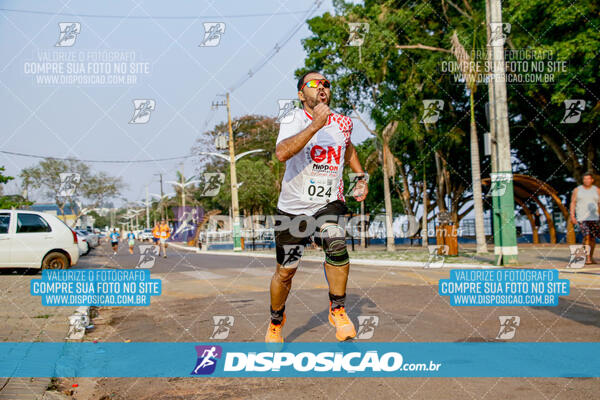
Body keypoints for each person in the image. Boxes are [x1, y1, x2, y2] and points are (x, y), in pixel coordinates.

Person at [265, 71, 368, 343]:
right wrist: (315, 125)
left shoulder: (342, 123)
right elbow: (282, 153)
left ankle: (338, 308)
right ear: (301, 95)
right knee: (286, 272)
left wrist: (360, 177)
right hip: (292, 208)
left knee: (335, 239)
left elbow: (348, 149)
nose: (322, 87)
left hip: (328, 201)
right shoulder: (293, 119)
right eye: (314, 84)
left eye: (326, 84)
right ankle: (276, 320)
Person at [570, 172, 600, 264]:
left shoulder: (597, 190)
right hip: (582, 217)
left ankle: (590, 256)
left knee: (592, 238)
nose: (586, 180)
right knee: (586, 236)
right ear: (583, 180)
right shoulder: (577, 190)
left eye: (588, 179)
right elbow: (573, 203)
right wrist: (572, 215)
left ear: (592, 180)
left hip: (595, 217)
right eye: (585, 179)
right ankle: (587, 258)